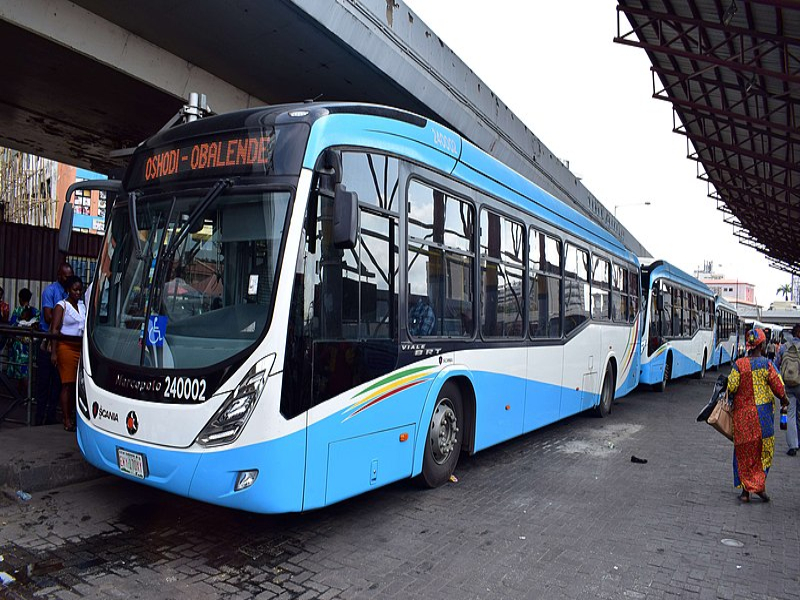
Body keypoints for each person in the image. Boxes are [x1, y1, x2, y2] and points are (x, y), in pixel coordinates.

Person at [727, 328, 789, 503]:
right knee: (764, 451)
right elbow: (778, 387)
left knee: (744, 451)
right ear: (762, 345)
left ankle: (746, 491)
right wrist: (784, 400)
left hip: (742, 417)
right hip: (763, 418)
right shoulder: (767, 365)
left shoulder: (739, 364)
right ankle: (759, 486)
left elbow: (731, 386)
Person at [36, 262, 73, 426]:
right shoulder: (51, 291)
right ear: (59, 275)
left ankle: (51, 417)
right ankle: (38, 418)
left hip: (62, 343)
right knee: (43, 382)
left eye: (71, 275)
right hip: (48, 342)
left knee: (57, 384)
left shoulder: (70, 293)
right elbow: (48, 316)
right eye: (67, 276)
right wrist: (63, 318)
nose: (69, 278)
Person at [50, 275, 85, 432]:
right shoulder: (61, 306)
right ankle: (66, 419)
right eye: (74, 289)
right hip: (66, 347)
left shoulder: (83, 306)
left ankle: (75, 415)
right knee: (67, 384)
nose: (77, 292)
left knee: (78, 385)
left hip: (80, 347)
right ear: (68, 290)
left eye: (80, 289)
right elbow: (55, 329)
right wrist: (54, 352)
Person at [6, 289, 40, 396]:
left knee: (22, 370)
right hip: (30, 344)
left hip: (19, 345)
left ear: (20, 298)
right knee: (26, 368)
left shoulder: (17, 311)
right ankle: (21, 393)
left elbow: (12, 326)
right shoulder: (36, 311)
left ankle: (28, 395)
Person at [776, 323, 800, 456]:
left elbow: (776, 364)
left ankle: (793, 445)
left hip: (788, 385)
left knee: (790, 414)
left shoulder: (784, 347)